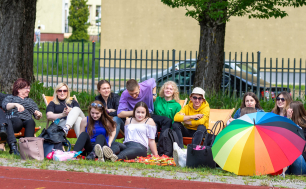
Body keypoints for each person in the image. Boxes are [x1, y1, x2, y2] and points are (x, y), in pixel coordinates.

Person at [285, 101, 306, 175]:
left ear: (294, 111)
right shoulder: (288, 123)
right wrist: (288, 120)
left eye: (289, 109)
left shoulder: (304, 126)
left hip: (302, 164)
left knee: (294, 152)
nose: (287, 111)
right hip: (289, 167)